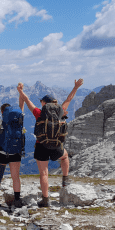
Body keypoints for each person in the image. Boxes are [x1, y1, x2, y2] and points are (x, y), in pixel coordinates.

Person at [18, 79, 83, 208]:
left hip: (41, 145)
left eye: (41, 101)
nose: (40, 102)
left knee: (44, 173)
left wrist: (20, 90)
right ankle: (65, 180)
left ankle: (45, 199)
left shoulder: (39, 112)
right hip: (57, 145)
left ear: (44, 102)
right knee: (64, 156)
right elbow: (69, 99)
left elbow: (26, 100)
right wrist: (75, 87)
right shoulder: (61, 110)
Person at [0, 84, 25, 208]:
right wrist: (20, 92)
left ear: (3, 112)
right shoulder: (19, 120)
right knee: (15, 177)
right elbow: (21, 106)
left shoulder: (0, 121)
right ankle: (17, 199)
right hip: (16, 152)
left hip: (2, 152)